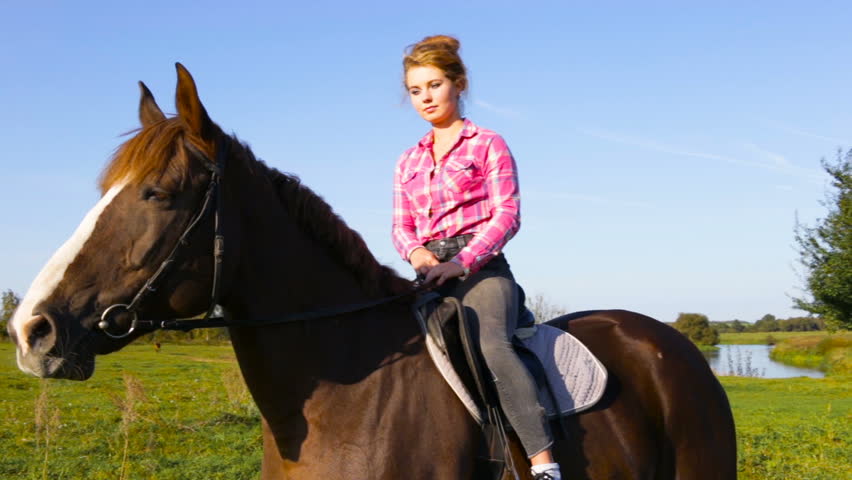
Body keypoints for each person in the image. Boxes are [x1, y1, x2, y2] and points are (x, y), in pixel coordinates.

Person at [391, 35, 562, 480]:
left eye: (435, 85)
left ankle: (544, 464)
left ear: (459, 84)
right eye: (415, 90)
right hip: (428, 271)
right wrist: (417, 253)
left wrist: (462, 261)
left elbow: (507, 214)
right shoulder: (407, 160)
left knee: (493, 346)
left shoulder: (487, 143)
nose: (426, 97)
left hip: (482, 270)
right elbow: (400, 225)